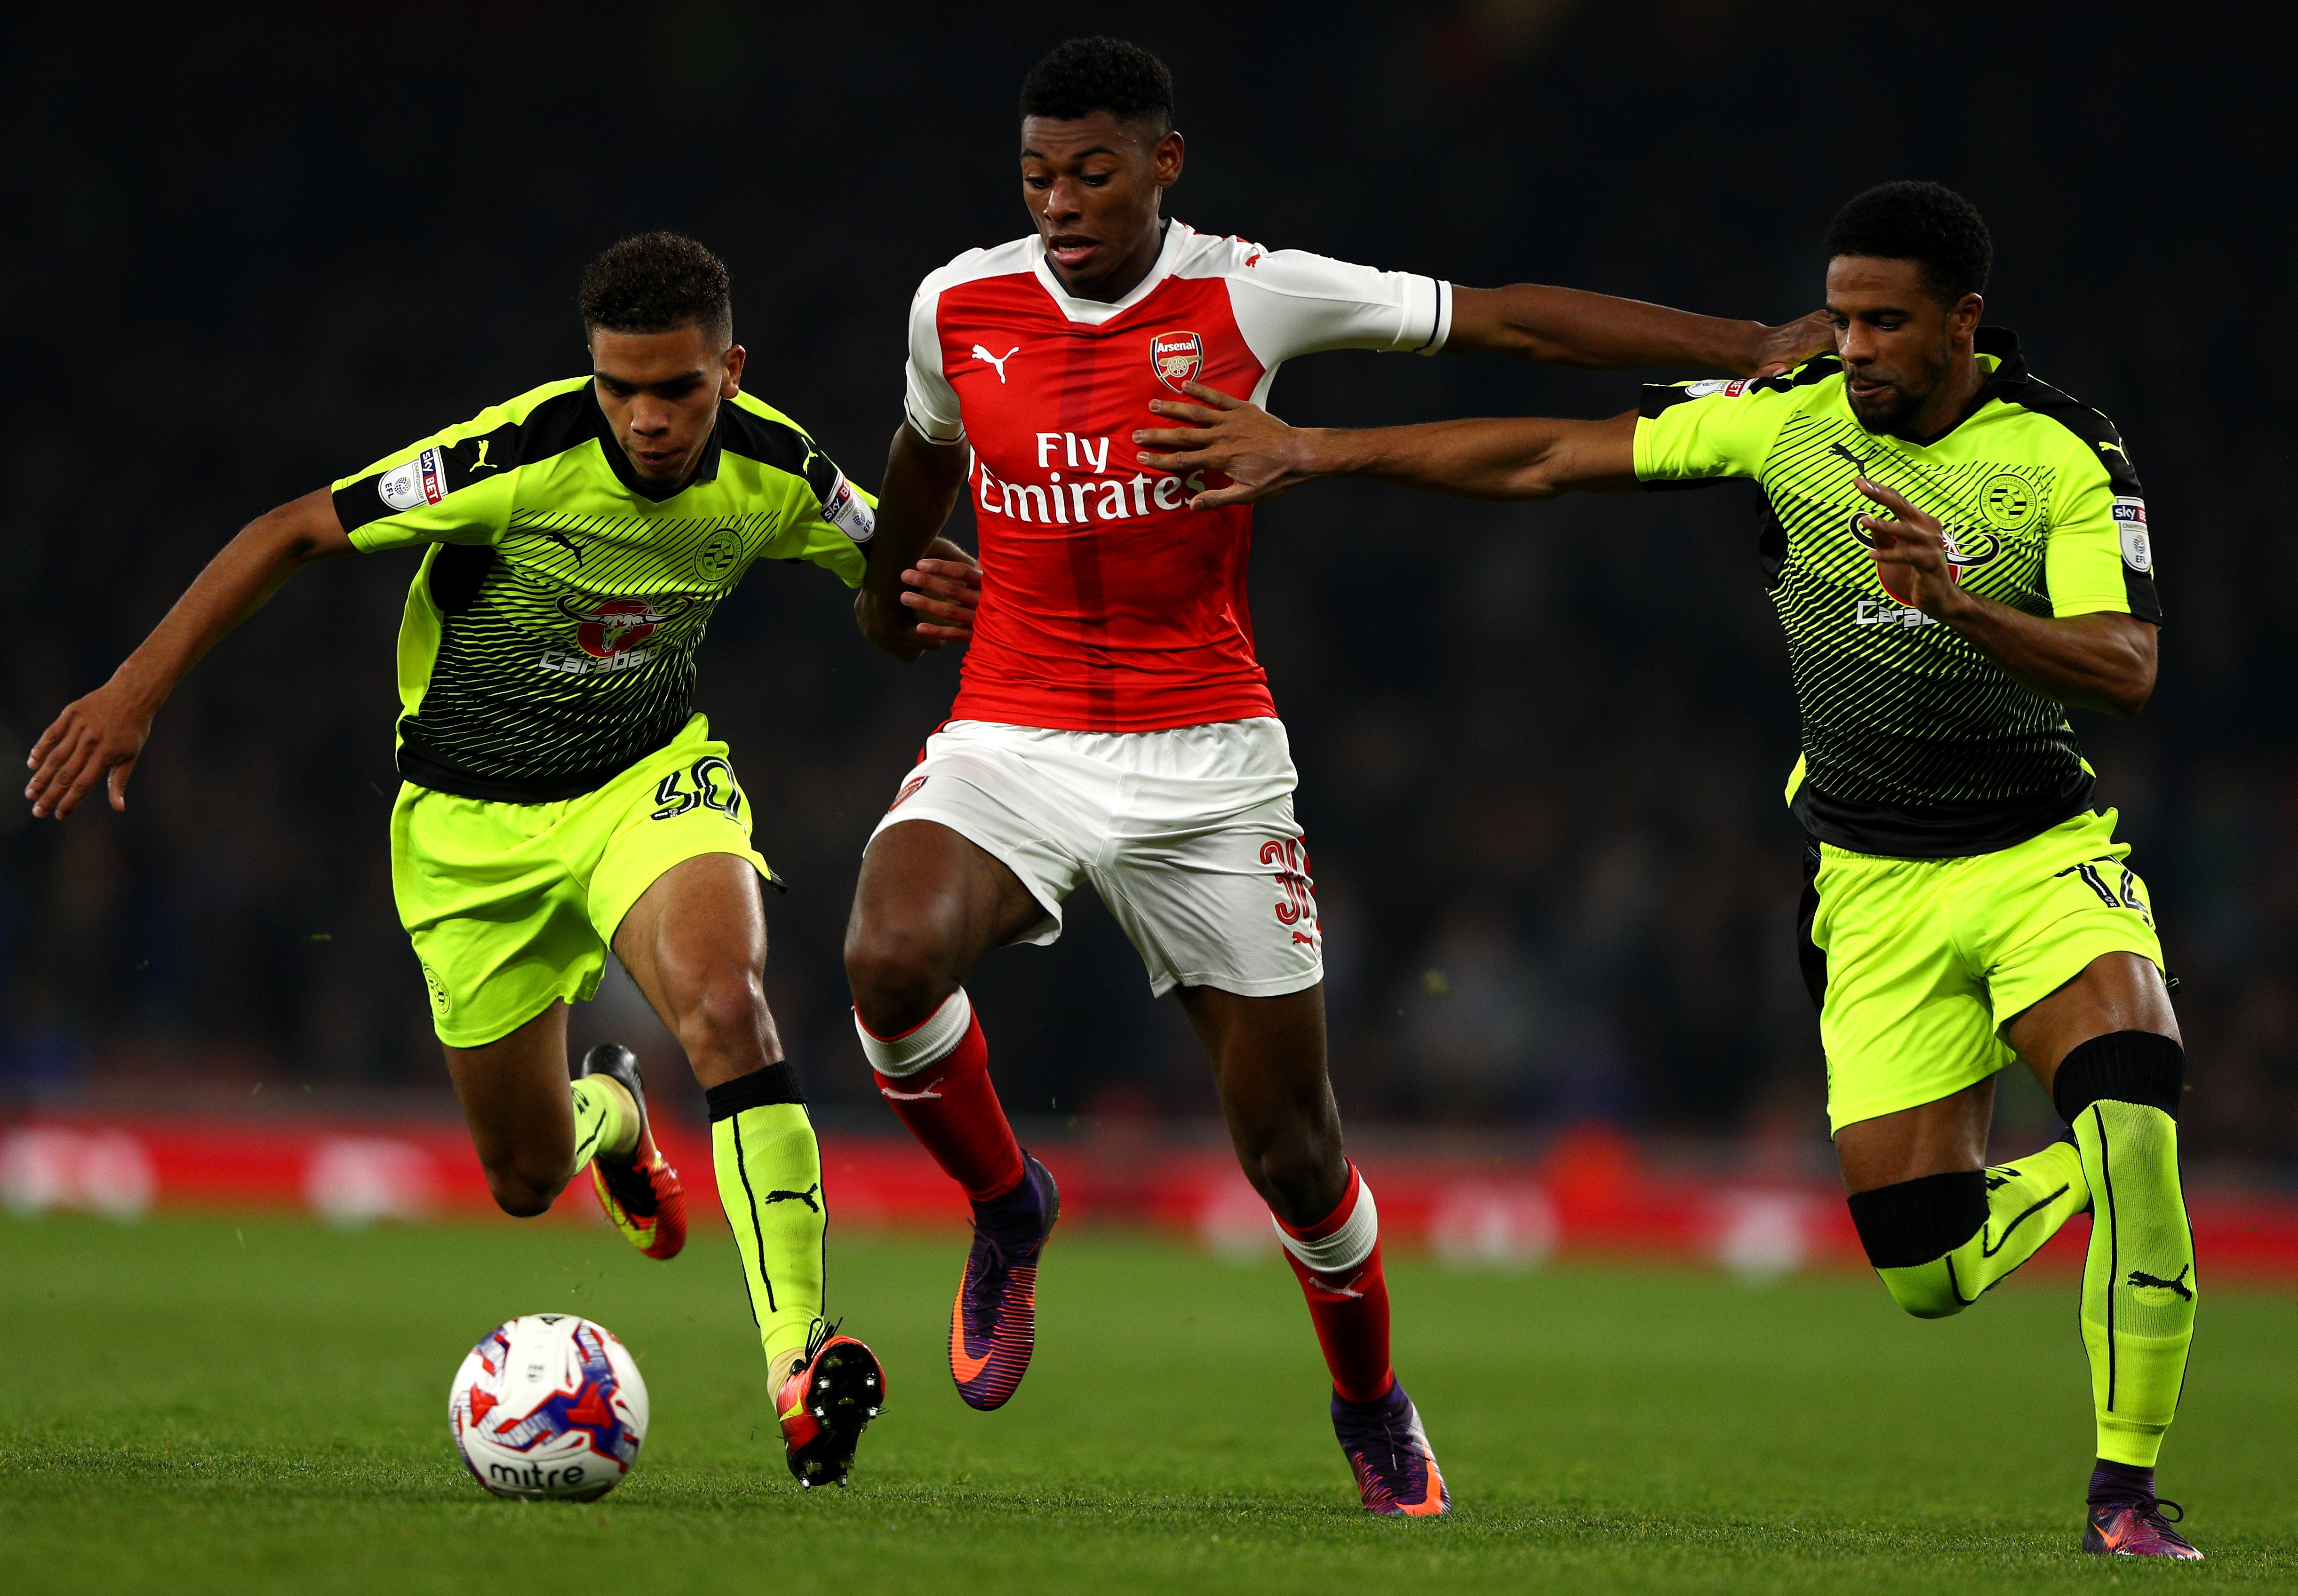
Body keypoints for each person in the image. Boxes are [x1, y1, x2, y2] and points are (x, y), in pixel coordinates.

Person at [1135, 180, 2202, 1559]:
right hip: (1870, 884)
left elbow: (2127, 669)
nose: (1857, 346)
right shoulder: (1788, 417)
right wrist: (1313, 450)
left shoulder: (2062, 448)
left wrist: (1961, 605)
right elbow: (1545, 458)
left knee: (2134, 1110)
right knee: (1929, 1271)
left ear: (1963, 323)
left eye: (1889, 323)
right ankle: (2083, 1176)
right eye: (1847, 315)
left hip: (2035, 855)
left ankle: (2122, 1496)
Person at [841, 35, 1829, 1517]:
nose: (1060, 200)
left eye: (1093, 170)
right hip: (1014, 735)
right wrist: (885, 593)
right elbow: (922, 457)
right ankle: (1006, 1203)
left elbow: (1496, 319)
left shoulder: (1247, 288)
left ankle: (1370, 1401)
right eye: (1039, 173)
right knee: (887, 955)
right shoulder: (955, 302)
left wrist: (1742, 337)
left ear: (1163, 164)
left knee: (1294, 1154)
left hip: (1208, 763)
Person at [23, 232, 979, 1491]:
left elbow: (887, 561)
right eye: (619, 388)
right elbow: (293, 529)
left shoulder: (778, 467)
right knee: (525, 1177)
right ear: (588, 375)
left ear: (730, 373)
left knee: (729, 1006)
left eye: (677, 390)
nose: (646, 418)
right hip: (468, 830)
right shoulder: (515, 458)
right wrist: (136, 689)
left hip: (647, 782)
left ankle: (800, 1361)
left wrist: (943, 595)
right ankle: (609, 1114)